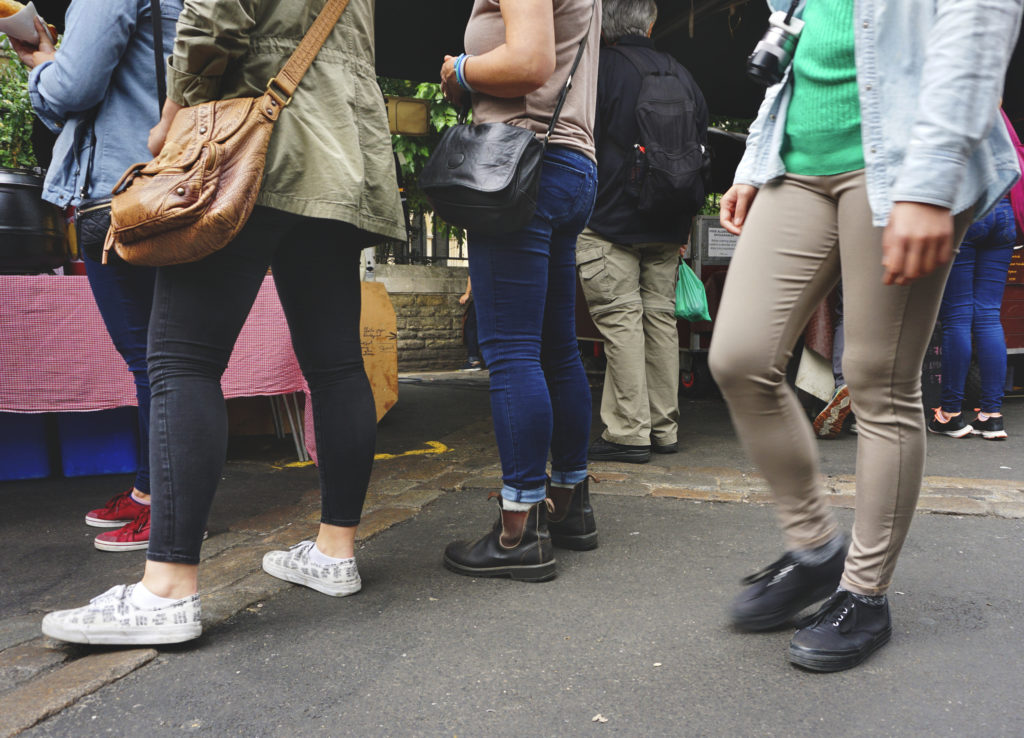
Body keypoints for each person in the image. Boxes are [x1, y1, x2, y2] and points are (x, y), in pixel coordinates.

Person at [40, 0, 406, 645]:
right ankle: (335, 552)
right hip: (343, 152)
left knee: (182, 360)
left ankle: (168, 590)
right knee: (336, 363)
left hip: (252, 143)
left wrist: (172, 121)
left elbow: (212, 23)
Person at [709, 0, 1021, 671]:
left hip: (903, 161)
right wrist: (750, 165)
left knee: (878, 379)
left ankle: (864, 591)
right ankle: (817, 550)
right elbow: (798, 41)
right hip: (797, 162)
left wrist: (932, 185)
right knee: (739, 358)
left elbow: (976, 31)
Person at [12, 0, 183, 552]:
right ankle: (150, 491)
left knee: (158, 363)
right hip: (163, 183)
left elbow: (70, 91)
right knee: (159, 359)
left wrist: (40, 62)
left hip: (120, 191)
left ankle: (172, 509)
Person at [439, 0, 601, 581]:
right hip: (569, 161)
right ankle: (570, 504)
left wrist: (459, 71)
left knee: (510, 350)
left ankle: (519, 529)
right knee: (555, 347)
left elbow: (529, 62)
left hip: (519, 160)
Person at [577, 0, 707, 465]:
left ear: (603, 26)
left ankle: (629, 432)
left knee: (621, 321)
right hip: (668, 221)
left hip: (609, 220)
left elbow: (577, 139)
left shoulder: (599, 70)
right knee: (659, 321)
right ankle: (663, 427)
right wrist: (686, 220)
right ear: (651, 24)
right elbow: (699, 148)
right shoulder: (681, 73)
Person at [929, 194, 1017, 440]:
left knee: (957, 315)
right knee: (989, 315)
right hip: (1003, 211)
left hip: (963, 208)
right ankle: (991, 416)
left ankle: (950, 413)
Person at [458, 276, 482, 371]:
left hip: (483, 297)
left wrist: (467, 293)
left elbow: (472, 275)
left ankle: (474, 361)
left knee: (471, 326)